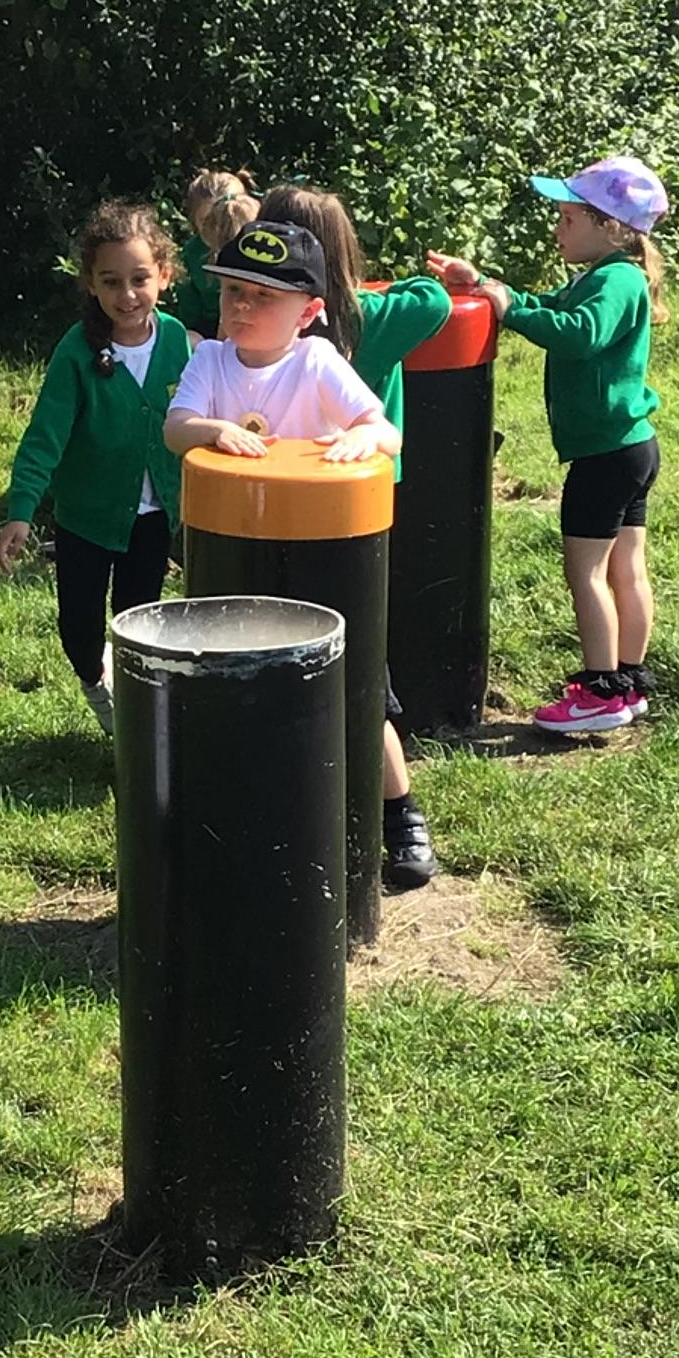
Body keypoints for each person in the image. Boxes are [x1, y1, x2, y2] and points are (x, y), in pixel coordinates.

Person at [254, 180, 450, 889]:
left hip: (274, 515)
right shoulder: (373, 317)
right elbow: (432, 300)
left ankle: (387, 813)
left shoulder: (263, 326)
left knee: (334, 671)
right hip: (350, 518)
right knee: (362, 675)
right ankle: (399, 818)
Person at [438, 154, 666, 736]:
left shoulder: (615, 281)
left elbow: (579, 334)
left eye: (568, 219)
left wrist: (510, 309)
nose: (557, 229)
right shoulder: (606, 276)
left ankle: (599, 691)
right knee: (626, 568)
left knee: (585, 572)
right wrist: (488, 288)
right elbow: (554, 308)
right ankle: (628, 681)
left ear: (609, 226)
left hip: (604, 454)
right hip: (629, 446)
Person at [0, 201, 192, 728]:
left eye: (139, 279)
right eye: (111, 282)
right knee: (80, 627)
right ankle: (91, 675)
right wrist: (20, 510)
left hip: (154, 519)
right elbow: (45, 436)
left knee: (138, 621)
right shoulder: (78, 351)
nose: (127, 295)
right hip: (85, 518)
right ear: (90, 283)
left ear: (164, 276)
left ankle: (137, 719)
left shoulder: (178, 341)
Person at [162, 218, 398, 466]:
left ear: (307, 312)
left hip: (305, 490)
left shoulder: (316, 360)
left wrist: (363, 434)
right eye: (233, 289)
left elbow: (388, 435)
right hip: (231, 492)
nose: (241, 303)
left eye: (263, 294)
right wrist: (216, 430)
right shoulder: (209, 358)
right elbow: (175, 431)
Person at [167, 169, 259, 337]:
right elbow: (190, 316)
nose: (217, 229)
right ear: (194, 220)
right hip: (210, 330)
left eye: (226, 219)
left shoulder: (260, 245)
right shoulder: (190, 254)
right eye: (207, 221)